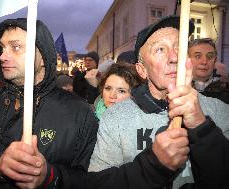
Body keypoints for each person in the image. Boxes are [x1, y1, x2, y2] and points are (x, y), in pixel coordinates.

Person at [0, 18, 99, 189]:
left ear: (43, 57)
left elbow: (90, 179)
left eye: (16, 47)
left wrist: (49, 177)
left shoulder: (79, 112)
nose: (2, 56)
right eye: (2, 48)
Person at [89, 15, 229, 188]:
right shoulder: (115, 118)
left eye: (179, 47)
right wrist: (154, 164)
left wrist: (201, 128)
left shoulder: (221, 111)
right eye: (160, 50)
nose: (174, 57)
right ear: (142, 70)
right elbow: (98, 183)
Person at [188, 38, 229, 104]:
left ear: (215, 60)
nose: (204, 62)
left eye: (210, 56)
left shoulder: (225, 91)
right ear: (187, 59)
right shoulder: (177, 88)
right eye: (198, 56)